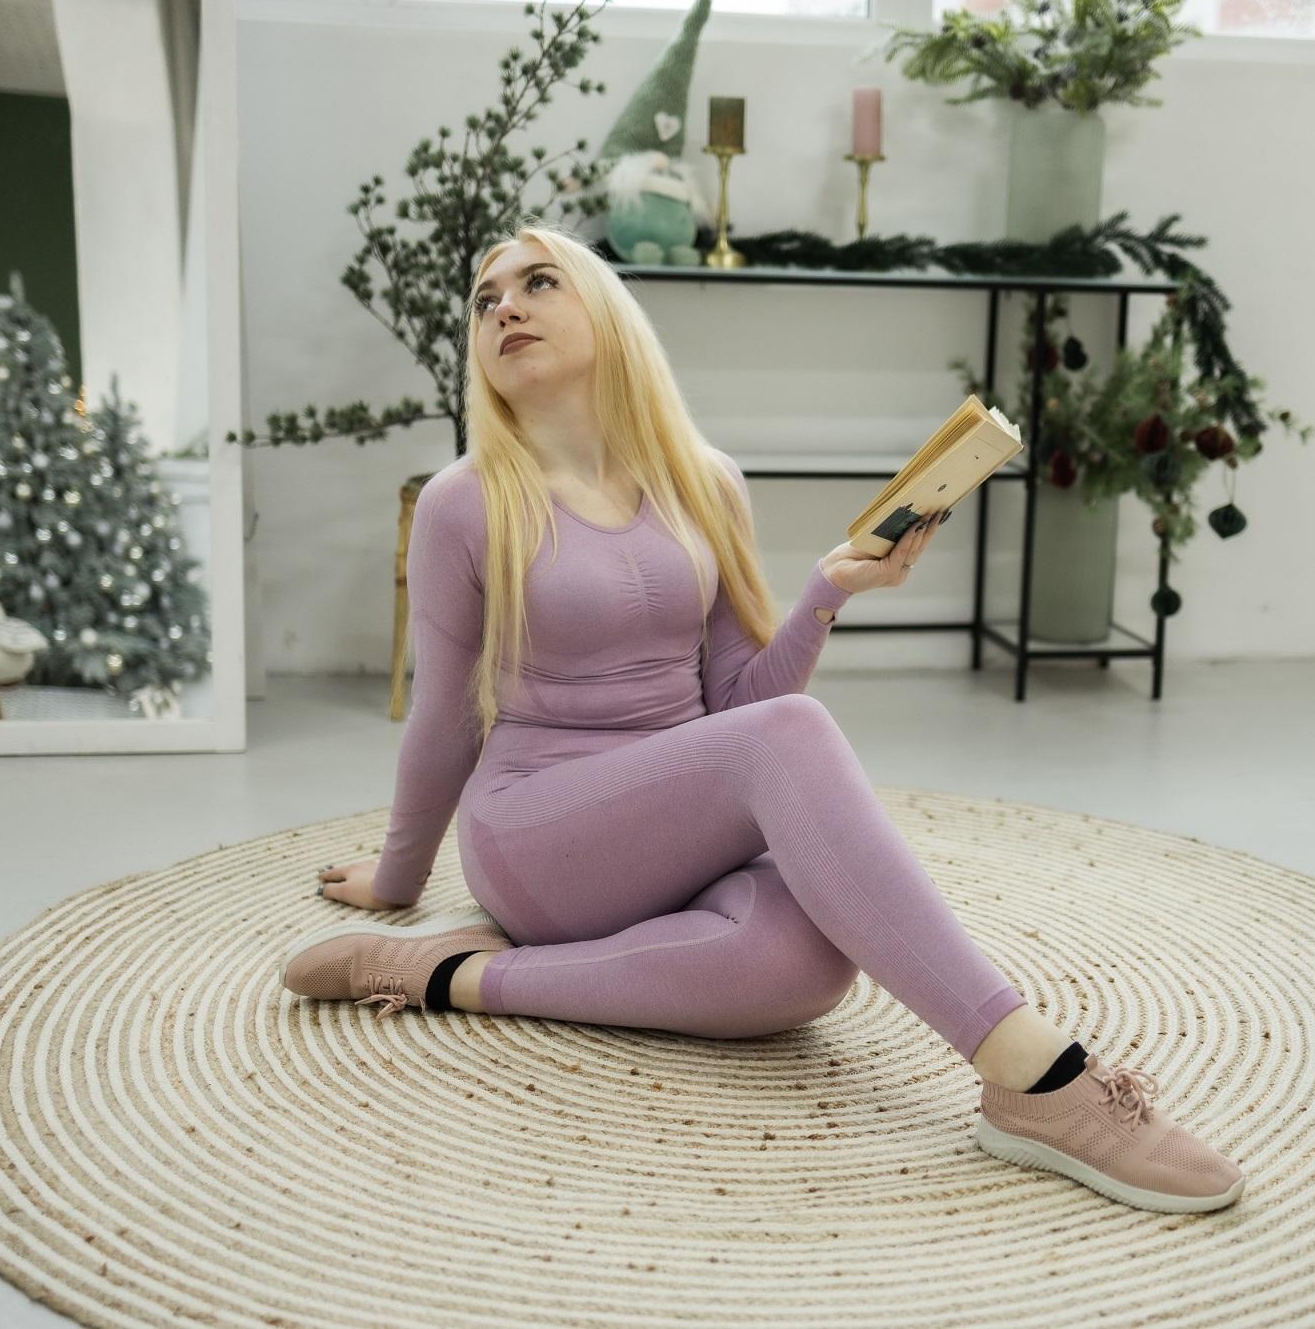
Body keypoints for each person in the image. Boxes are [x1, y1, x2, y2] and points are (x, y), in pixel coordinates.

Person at [278, 218, 1244, 1213]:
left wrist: (826, 592)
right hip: (536, 833)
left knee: (806, 965)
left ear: (608, 313)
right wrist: (399, 876)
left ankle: (451, 976)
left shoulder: (705, 482)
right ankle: (1033, 1073)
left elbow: (740, 706)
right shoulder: (464, 502)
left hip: (677, 836)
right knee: (793, 743)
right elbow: (444, 715)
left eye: (538, 282)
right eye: (485, 301)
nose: (504, 308)